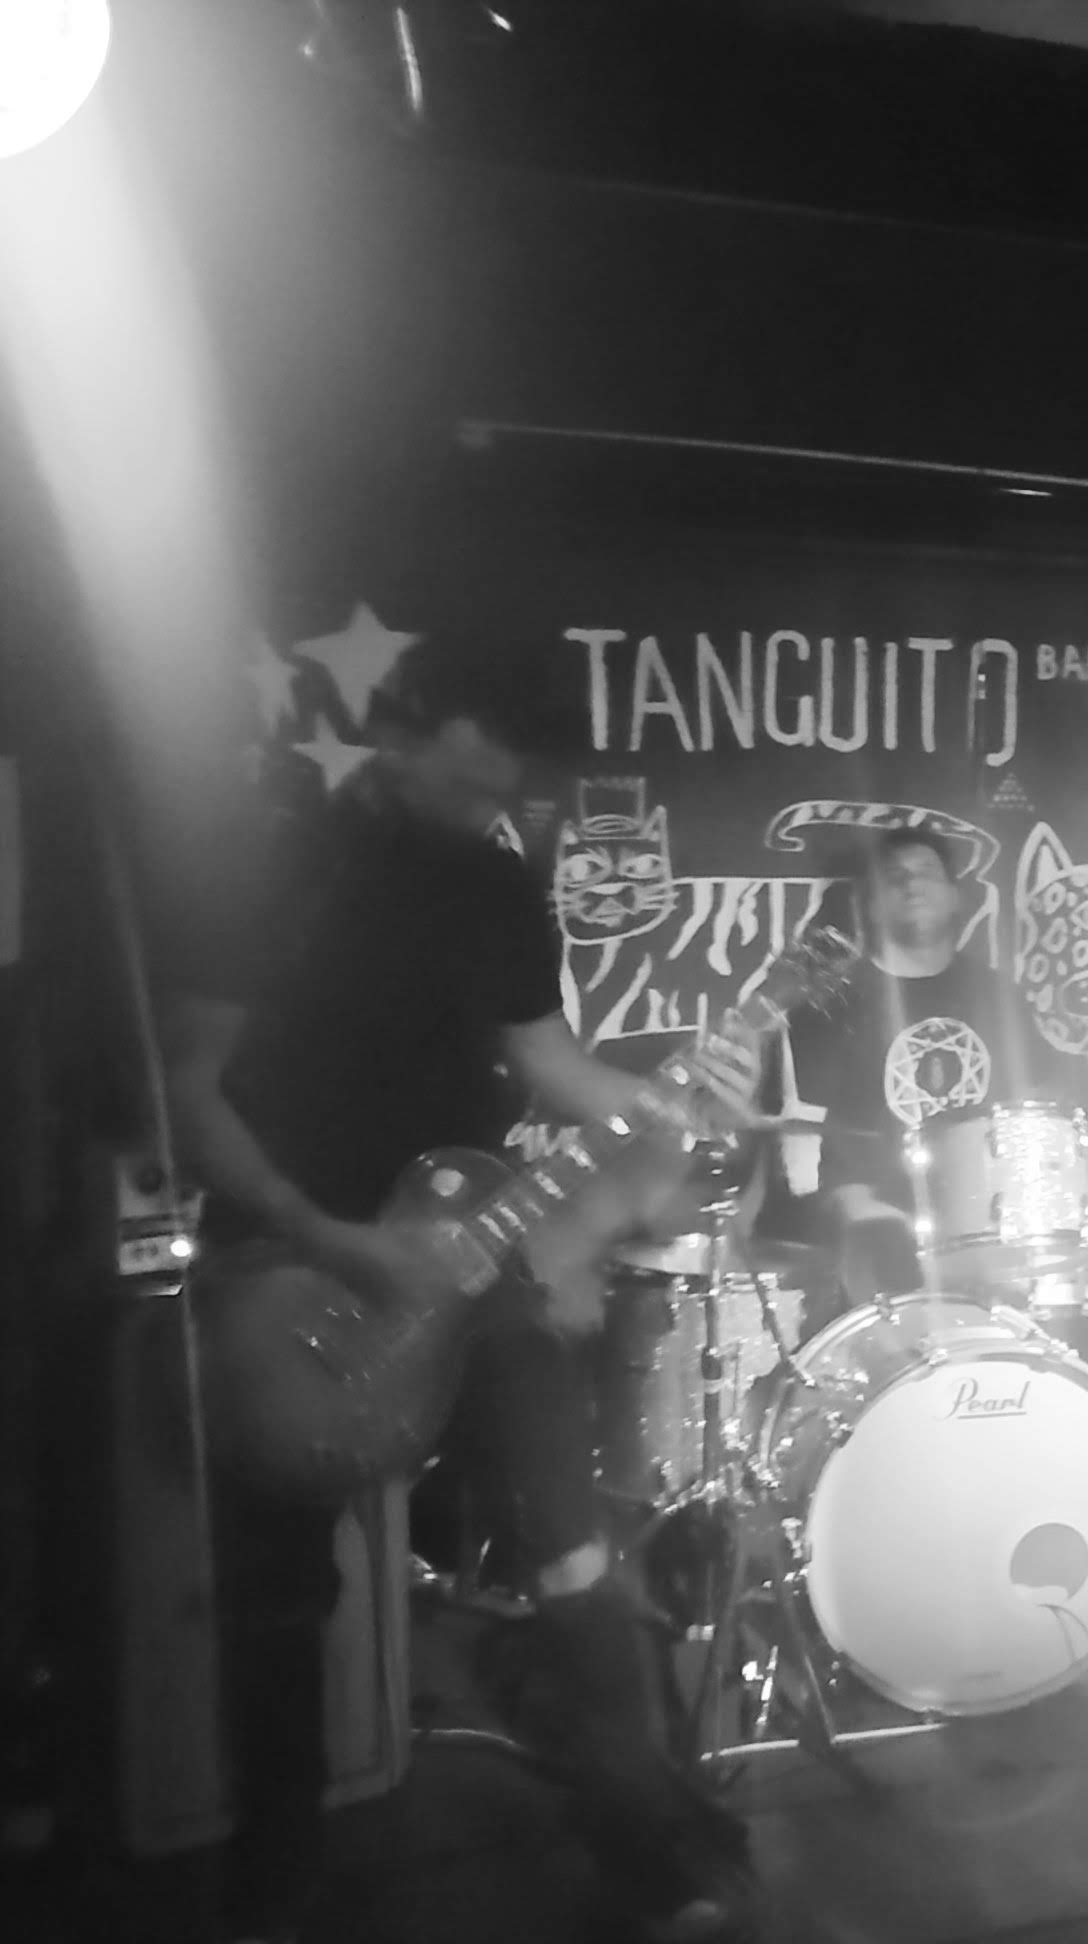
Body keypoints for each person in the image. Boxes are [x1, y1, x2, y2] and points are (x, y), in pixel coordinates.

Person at [161, 636, 758, 1943]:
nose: (501, 785)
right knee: (278, 1598)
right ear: (404, 730)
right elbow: (188, 1088)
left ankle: (649, 1850)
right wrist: (324, 1234)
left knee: (576, 1556)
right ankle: (276, 1873)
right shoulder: (266, 864)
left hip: (470, 1254)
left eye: (517, 767)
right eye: (478, 754)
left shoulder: (498, 884)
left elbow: (549, 1066)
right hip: (290, 1264)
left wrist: (671, 1097)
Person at [773, 824, 1070, 1312]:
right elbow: (806, 1147)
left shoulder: (999, 997)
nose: (911, 883)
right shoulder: (829, 1005)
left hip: (990, 1223)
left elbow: (1038, 1115)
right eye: (894, 876)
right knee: (881, 1247)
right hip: (876, 1218)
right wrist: (869, 1216)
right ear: (870, 905)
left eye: (926, 872)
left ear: (955, 897)